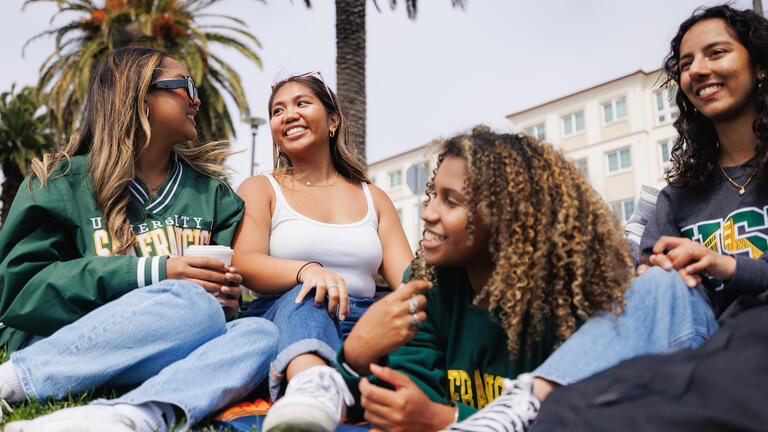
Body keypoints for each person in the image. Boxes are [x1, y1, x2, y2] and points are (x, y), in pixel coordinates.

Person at [335, 126, 718, 432]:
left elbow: (582, 415)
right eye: (432, 195)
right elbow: (407, 400)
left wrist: (448, 420)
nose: (428, 214)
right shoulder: (426, 286)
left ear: (508, 219)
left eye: (451, 201)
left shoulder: (574, 300)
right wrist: (355, 356)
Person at [0, 47, 278, 432]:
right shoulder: (60, 181)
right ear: (140, 95)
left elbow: (218, 301)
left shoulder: (214, 196)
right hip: (63, 342)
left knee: (259, 333)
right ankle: (12, 383)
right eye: (186, 86)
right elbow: (19, 291)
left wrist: (227, 300)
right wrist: (152, 271)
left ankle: (130, 415)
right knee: (193, 304)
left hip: (167, 345)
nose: (197, 98)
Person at [532, 5, 768, 429]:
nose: (697, 70)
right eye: (686, 63)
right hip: (704, 352)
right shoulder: (677, 196)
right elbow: (657, 287)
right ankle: (530, 404)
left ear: (760, 67)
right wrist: (652, 270)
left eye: (716, 53)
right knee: (660, 280)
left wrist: (725, 265)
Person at [232, 71, 413, 432]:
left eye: (302, 103)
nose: (288, 115)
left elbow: (409, 280)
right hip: (290, 312)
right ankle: (310, 392)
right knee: (312, 298)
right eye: (278, 110)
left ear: (333, 121)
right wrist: (306, 270)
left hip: (363, 321)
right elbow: (244, 262)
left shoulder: (373, 197)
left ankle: (348, 397)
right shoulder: (260, 188)